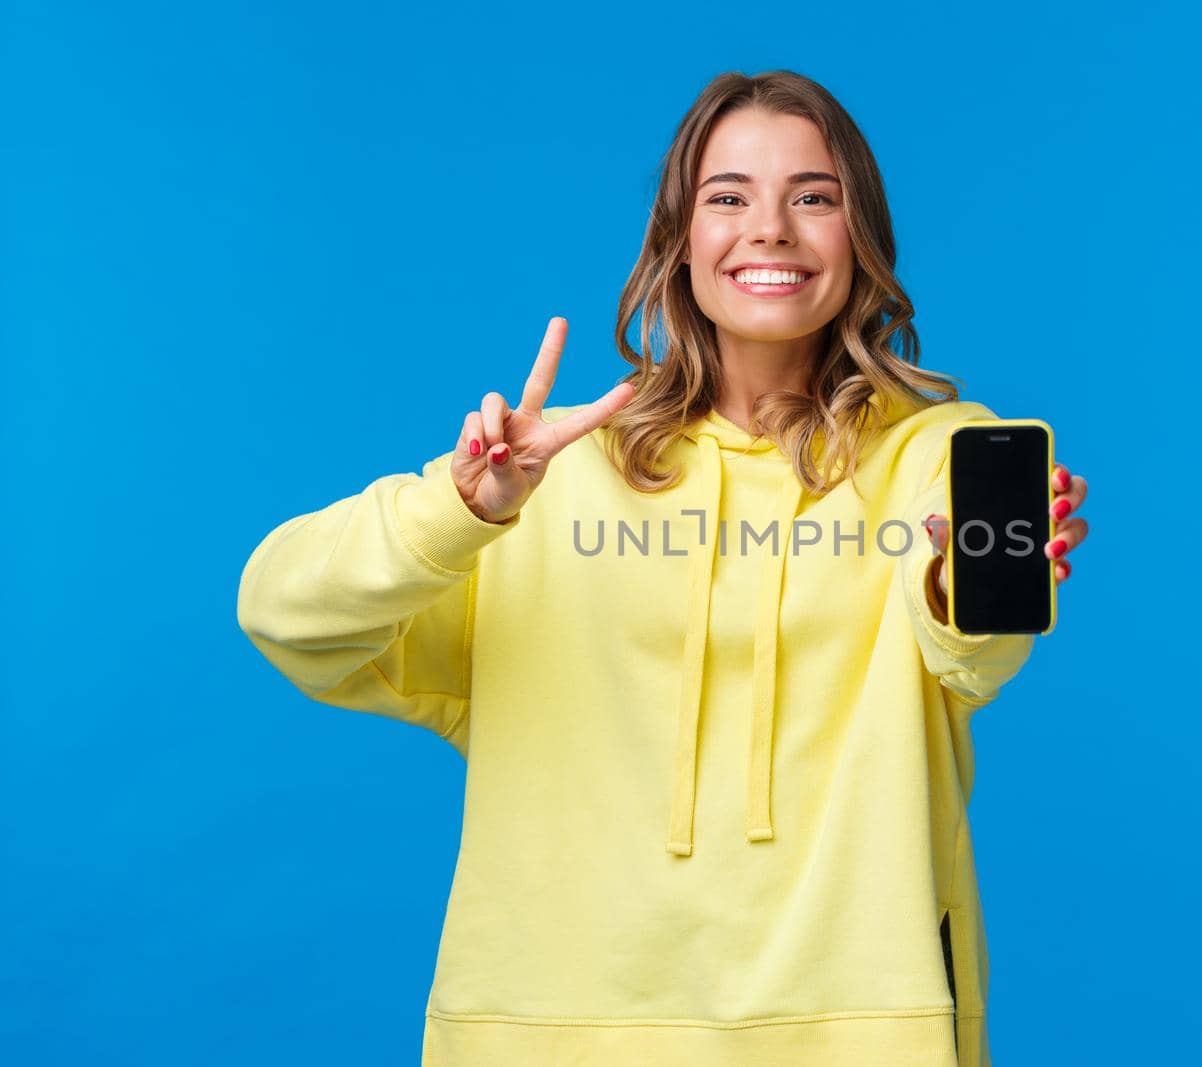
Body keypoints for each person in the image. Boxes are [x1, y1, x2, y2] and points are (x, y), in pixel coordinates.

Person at [237, 69, 1089, 1067]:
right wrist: (463, 508)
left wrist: (962, 582)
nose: (769, 228)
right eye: (727, 196)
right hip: (543, 1034)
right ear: (678, 237)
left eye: (813, 196)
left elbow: (972, 656)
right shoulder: (546, 468)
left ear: (860, 237)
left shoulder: (934, 453)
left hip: (860, 1030)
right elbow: (285, 612)